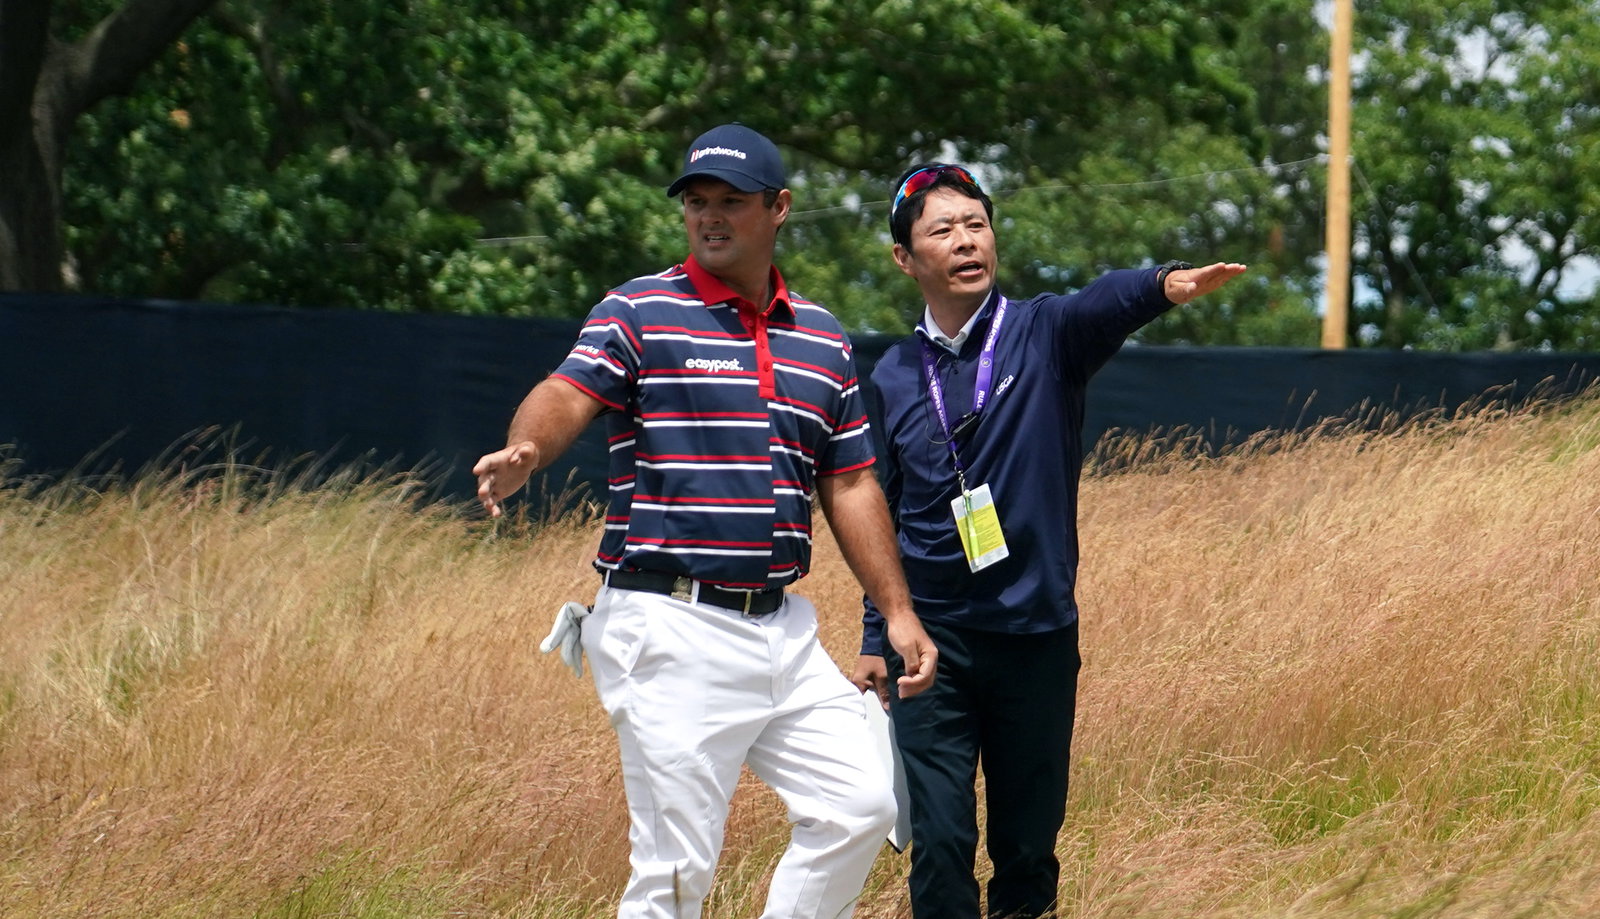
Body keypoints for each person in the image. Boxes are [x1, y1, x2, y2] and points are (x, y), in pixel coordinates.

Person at [472, 124, 939, 919]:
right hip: (668, 623)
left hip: (783, 628)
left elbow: (853, 481)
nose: (711, 217)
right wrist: (527, 448)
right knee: (678, 874)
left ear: (779, 207)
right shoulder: (642, 308)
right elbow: (564, 393)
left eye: (732, 201)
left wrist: (896, 610)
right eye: (697, 203)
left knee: (861, 807)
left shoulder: (822, 337)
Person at [850, 163, 1247, 918]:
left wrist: (1164, 284)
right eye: (943, 229)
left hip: (1035, 636)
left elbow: (1101, 302)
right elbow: (884, 511)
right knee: (938, 842)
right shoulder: (895, 374)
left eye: (977, 224)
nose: (966, 241)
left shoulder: (1043, 333)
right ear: (905, 258)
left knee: (1027, 851)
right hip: (931, 646)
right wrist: (879, 629)